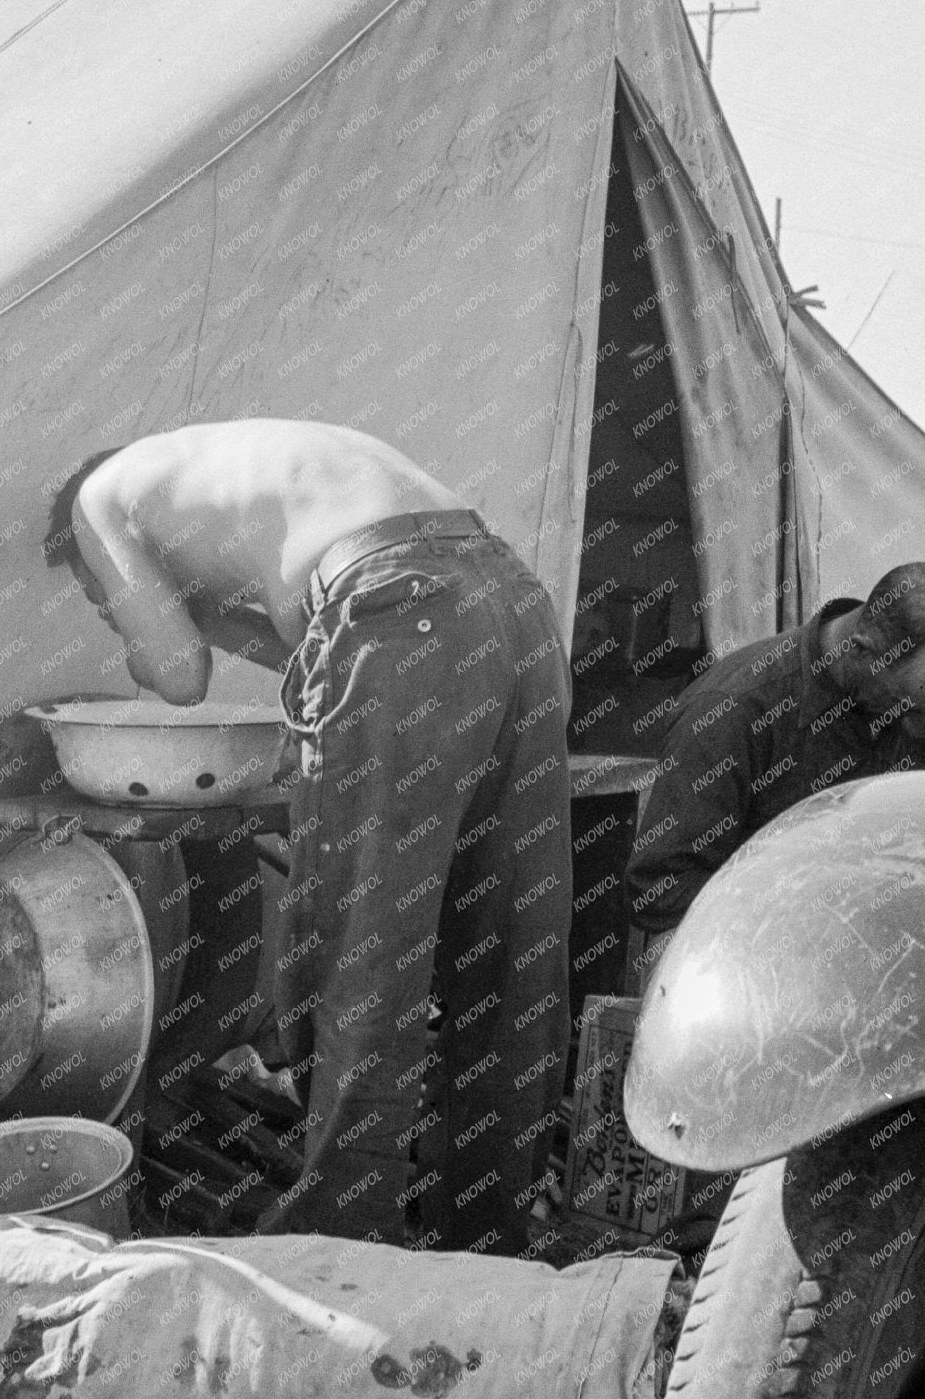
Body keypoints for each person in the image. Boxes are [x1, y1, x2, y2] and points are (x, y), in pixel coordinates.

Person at [46, 420, 575, 1254]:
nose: (112, 607)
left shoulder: (98, 500)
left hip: (399, 607)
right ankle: (490, 1224)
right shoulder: (226, 475)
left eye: (99, 596)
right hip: (509, 603)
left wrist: (149, 633)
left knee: (368, 940)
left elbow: (178, 679)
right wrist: (210, 620)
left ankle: (340, 1226)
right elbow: (312, 647)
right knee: (505, 933)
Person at [625, 562, 925, 980]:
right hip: (751, 958)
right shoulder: (731, 709)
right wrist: (815, 914)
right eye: (909, 708)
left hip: (891, 957)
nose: (924, 730)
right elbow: (661, 891)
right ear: (862, 650)